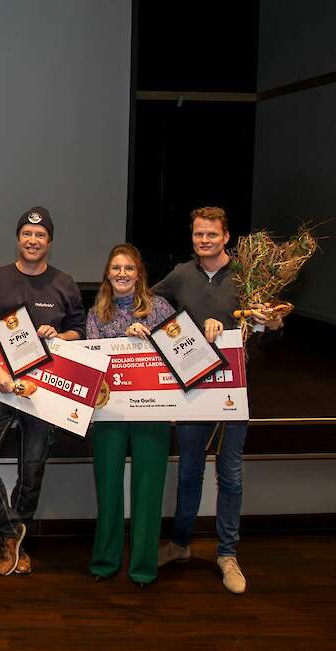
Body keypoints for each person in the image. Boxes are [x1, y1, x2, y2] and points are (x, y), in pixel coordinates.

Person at [152, 206, 283, 594]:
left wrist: (272, 323)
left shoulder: (249, 276)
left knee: (231, 474)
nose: (203, 241)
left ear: (226, 237)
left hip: (234, 392)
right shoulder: (181, 274)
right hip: (193, 391)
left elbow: (268, 334)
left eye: (211, 235)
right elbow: (153, 306)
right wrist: (185, 328)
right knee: (190, 470)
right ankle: (180, 544)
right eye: (198, 235)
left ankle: (228, 554)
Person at [0, 206, 85, 575]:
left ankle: (12, 541)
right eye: (27, 235)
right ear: (18, 239)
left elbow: (81, 329)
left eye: (40, 235)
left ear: (49, 242)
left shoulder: (64, 283)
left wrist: (60, 337)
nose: (33, 241)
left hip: (43, 395)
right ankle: (11, 531)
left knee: (33, 473)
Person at [86, 244, 174, 587]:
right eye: (116, 268)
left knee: (148, 491)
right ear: (108, 273)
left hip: (153, 413)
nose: (122, 274)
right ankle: (105, 561)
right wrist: (123, 340)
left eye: (129, 269)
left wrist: (147, 342)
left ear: (139, 274)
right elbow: (93, 361)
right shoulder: (97, 313)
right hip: (111, 413)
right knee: (107, 490)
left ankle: (143, 567)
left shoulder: (160, 308)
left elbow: (177, 356)